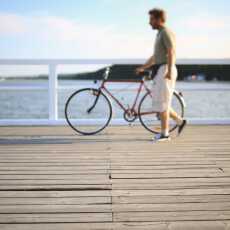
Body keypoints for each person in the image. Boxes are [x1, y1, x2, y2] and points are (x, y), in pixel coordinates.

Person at [136, 8, 187, 142]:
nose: (149, 22)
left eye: (151, 19)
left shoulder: (166, 32)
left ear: (159, 19)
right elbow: (155, 57)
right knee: (161, 103)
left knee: (163, 103)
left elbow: (171, 52)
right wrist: (143, 67)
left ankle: (165, 134)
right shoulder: (159, 34)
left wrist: (169, 71)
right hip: (160, 69)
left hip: (165, 69)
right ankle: (180, 122)